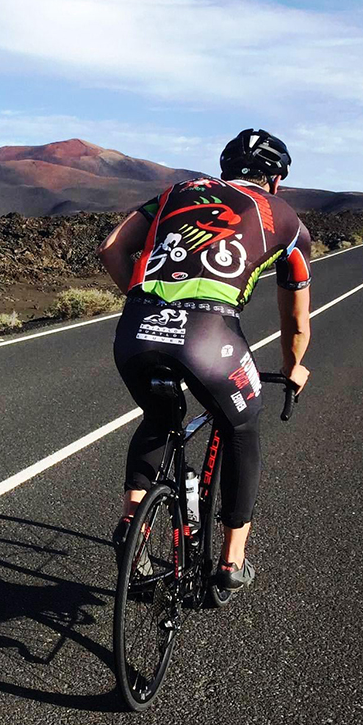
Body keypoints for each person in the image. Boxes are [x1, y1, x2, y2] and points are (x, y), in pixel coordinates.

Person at [97, 129, 312, 591]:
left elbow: (112, 248)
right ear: (276, 180)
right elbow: (295, 318)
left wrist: (147, 309)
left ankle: (132, 534)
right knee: (242, 427)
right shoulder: (288, 219)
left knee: (158, 417)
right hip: (211, 337)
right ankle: (232, 562)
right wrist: (294, 365)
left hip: (137, 326)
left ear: (226, 169)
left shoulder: (176, 193)